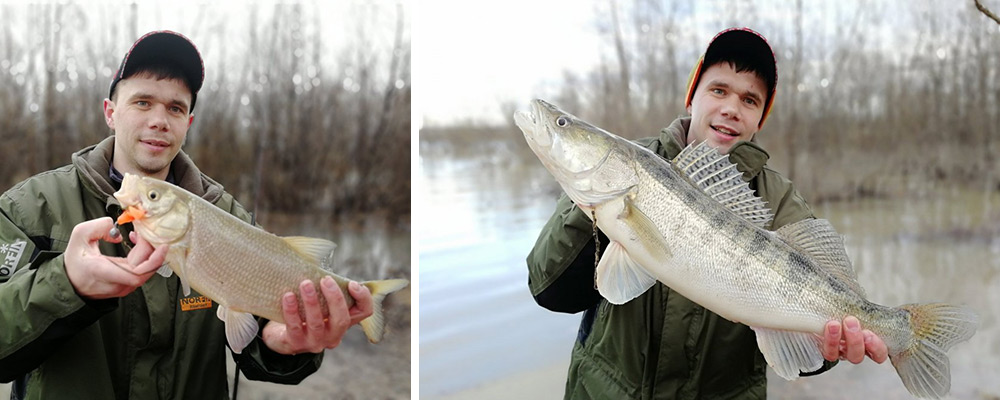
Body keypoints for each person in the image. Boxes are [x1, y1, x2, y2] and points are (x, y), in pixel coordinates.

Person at [0, 31, 374, 399]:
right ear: (111, 113)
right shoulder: (29, 207)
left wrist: (285, 348)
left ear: (188, 123)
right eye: (143, 102)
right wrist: (66, 284)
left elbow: (259, 338)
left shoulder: (228, 214)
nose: (160, 120)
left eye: (175, 107)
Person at [527, 27, 888, 399]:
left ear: (760, 118)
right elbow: (549, 291)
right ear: (692, 97)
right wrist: (591, 211)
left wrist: (834, 344)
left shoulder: (780, 200)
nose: (731, 108)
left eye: (750, 100)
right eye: (719, 90)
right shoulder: (627, 167)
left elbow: (808, 340)